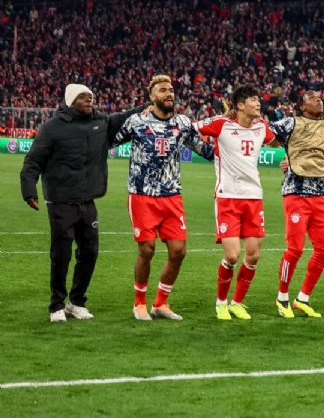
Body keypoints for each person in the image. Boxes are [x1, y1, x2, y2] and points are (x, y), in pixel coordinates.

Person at [20, 84, 144, 323]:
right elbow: (33, 161)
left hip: (88, 201)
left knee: (90, 253)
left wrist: (149, 104)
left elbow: (125, 117)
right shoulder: (52, 128)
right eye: (84, 97)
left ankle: (76, 302)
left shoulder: (101, 123)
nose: (90, 101)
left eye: (91, 97)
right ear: (71, 100)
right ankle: (56, 305)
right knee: (61, 255)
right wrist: (28, 190)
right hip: (60, 201)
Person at [114, 75, 214, 321]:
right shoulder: (137, 121)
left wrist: (229, 142)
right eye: (162, 90)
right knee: (147, 250)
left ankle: (160, 303)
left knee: (178, 251)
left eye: (171, 90)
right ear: (152, 96)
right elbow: (109, 141)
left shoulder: (182, 122)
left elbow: (205, 150)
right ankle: (139, 303)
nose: (169, 93)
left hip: (172, 196)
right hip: (142, 195)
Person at [195, 85, 276, 320]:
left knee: (253, 255)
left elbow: (277, 142)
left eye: (258, 99)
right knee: (232, 256)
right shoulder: (222, 124)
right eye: (253, 100)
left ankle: (237, 302)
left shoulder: (262, 127)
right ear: (240, 105)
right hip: (228, 197)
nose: (258, 103)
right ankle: (221, 302)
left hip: (254, 198)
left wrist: (289, 160)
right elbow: (192, 128)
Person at [269, 90, 324, 318]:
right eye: (311, 97)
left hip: (319, 193)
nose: (319, 99)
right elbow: (268, 135)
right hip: (296, 192)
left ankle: (303, 298)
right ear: (301, 106)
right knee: (295, 249)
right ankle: (282, 297)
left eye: (320, 97)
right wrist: (287, 153)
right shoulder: (291, 122)